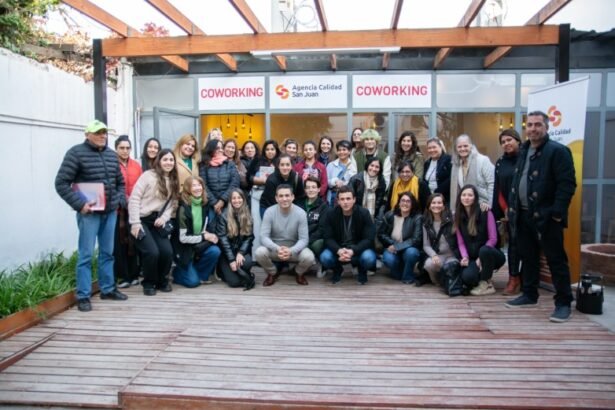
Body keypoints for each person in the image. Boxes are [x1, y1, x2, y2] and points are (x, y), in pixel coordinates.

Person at [505, 111, 576, 323]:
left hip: (547, 216)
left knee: (556, 260)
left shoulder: (558, 151)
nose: (533, 129)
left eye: (538, 125)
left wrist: (557, 214)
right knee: (528, 257)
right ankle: (529, 294)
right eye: (530, 125)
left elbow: (567, 185)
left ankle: (563, 302)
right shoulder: (523, 150)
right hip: (523, 214)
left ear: (546, 127)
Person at [55, 120, 128, 312]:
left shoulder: (111, 155)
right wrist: (80, 204)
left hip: (110, 212)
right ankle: (83, 296)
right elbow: (61, 183)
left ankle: (108, 289)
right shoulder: (75, 153)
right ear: (87, 134)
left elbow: (120, 182)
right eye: (98, 132)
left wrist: (120, 199)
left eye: (104, 132)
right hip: (89, 214)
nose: (103, 135)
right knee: (86, 255)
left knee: (108, 253)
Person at [129, 149, 179, 296]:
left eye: (171, 160)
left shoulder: (174, 179)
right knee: (152, 252)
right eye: (165, 159)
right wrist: (135, 223)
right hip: (141, 220)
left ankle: (162, 281)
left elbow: (172, 204)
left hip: (158, 221)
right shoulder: (148, 176)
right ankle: (149, 283)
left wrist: (164, 218)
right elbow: (134, 198)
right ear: (159, 161)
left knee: (167, 252)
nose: (168, 162)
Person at [256, 184, 315, 286]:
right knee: (259, 252)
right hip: (275, 250)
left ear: (292, 197)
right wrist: (277, 248)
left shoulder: (301, 213)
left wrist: (291, 250)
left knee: (309, 257)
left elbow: (304, 239)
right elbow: (264, 237)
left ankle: (298, 272)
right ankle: (272, 273)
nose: (284, 199)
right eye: (281, 196)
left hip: (294, 250)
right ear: (276, 198)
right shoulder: (269, 212)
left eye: (287, 195)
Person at [454, 184, 505, 296]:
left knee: (484, 250)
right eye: (464, 195)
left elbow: (493, 239)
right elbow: (460, 242)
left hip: (491, 254)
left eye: (470, 195)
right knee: (468, 277)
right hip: (473, 257)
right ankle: (482, 276)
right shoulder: (458, 216)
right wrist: (465, 257)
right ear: (460, 197)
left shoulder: (485, 212)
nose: (466, 198)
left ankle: (486, 283)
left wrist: (480, 258)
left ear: (475, 198)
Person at [320, 185, 377, 285]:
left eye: (348, 198)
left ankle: (362, 270)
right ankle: (337, 269)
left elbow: (369, 238)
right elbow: (328, 238)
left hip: (358, 249)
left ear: (354, 199)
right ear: (338, 201)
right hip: (339, 249)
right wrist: (338, 250)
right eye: (342, 199)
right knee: (325, 257)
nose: (345, 202)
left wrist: (353, 250)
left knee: (369, 257)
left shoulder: (364, 213)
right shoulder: (331, 214)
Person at [172, 176, 221, 288]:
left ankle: (200, 276)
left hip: (197, 245)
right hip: (184, 248)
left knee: (215, 251)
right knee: (192, 283)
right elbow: (183, 238)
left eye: (199, 185)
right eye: (193, 186)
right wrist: (204, 237)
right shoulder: (183, 209)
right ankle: (177, 273)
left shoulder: (204, 204)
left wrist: (209, 235)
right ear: (188, 189)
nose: (198, 188)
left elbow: (204, 227)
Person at [493, 128, 522, 296]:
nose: (506, 144)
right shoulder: (500, 162)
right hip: (510, 211)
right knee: (513, 246)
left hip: (527, 210)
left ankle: (527, 278)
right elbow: (498, 189)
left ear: (518, 140)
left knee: (528, 247)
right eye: (503, 142)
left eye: (509, 140)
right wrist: (505, 210)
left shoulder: (527, 159)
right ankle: (513, 278)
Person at [114, 135, 142, 288]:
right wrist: (124, 200)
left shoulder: (136, 166)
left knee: (133, 243)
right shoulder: (112, 164)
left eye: (127, 148)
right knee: (120, 245)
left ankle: (134, 275)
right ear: (116, 148)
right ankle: (123, 277)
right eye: (121, 148)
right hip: (118, 211)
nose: (125, 151)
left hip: (134, 211)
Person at [379, 192, 423, 284]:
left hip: (408, 249)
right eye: (403, 200)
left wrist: (398, 246)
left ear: (412, 204)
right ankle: (400, 273)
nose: (405, 203)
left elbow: (416, 239)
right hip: (391, 247)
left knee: (412, 253)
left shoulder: (417, 217)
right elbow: (381, 234)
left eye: (408, 201)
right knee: (388, 259)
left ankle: (407, 278)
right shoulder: (390, 215)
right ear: (399, 202)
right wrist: (393, 244)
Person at [216, 189, 256, 290]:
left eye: (239, 198)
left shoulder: (248, 214)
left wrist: (241, 252)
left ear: (243, 199)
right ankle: (222, 271)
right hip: (226, 254)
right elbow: (223, 241)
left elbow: (249, 237)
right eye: (234, 198)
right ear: (230, 200)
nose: (237, 200)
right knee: (234, 282)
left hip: (239, 251)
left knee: (247, 262)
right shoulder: (223, 216)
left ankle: (240, 272)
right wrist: (231, 260)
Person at [423, 193, 460, 295]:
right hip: (439, 255)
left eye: (439, 203)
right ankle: (438, 282)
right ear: (429, 206)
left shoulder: (452, 218)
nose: (436, 205)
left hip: (453, 255)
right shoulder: (426, 222)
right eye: (433, 203)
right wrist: (433, 255)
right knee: (429, 264)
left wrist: (483, 204)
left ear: (443, 206)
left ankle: (448, 282)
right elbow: (426, 245)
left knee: (450, 267)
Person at [247, 140, 280, 255]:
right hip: (257, 195)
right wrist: (258, 180)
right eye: (267, 149)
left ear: (276, 150)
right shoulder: (257, 160)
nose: (270, 152)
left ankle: (275, 254)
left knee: (274, 226)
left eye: (272, 149)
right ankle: (257, 255)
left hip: (274, 197)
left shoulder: (280, 162)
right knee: (257, 225)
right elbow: (248, 177)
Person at [199, 139, 240, 224]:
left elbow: (234, 183)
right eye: (217, 148)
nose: (221, 150)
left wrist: (222, 200)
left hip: (228, 203)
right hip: (211, 205)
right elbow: (203, 185)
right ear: (211, 148)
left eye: (221, 148)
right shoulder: (204, 165)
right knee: (211, 227)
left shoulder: (230, 164)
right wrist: (214, 203)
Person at [450, 134, 494, 212]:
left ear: (471, 146)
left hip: (482, 205)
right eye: (459, 147)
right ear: (456, 149)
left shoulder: (482, 160)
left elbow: (492, 183)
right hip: (464, 207)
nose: (462, 149)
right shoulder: (456, 164)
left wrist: (489, 203)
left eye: (465, 146)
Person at [299, 176, 329, 264]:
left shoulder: (324, 206)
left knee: (318, 244)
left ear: (318, 189)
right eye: (308, 187)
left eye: (313, 187)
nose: (311, 190)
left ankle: (318, 262)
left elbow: (321, 229)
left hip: (313, 239)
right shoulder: (299, 204)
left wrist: (306, 241)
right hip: (299, 237)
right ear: (305, 190)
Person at [326, 140, 357, 205]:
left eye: (344, 150)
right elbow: (325, 181)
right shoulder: (331, 165)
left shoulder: (353, 166)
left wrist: (344, 184)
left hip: (346, 198)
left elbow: (354, 183)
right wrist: (334, 181)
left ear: (349, 151)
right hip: (332, 197)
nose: (341, 152)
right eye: (339, 150)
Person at [423, 137, 452, 205]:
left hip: (444, 199)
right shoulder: (427, 163)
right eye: (429, 148)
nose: (432, 150)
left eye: (434, 147)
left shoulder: (449, 159)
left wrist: (437, 192)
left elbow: (451, 179)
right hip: (430, 199)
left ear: (440, 147)